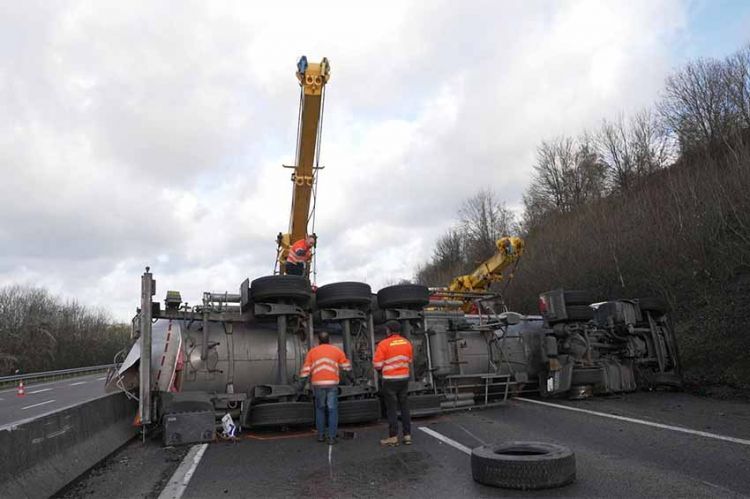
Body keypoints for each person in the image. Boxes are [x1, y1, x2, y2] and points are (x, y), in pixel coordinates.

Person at [298, 331, 352, 445]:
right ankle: (332, 437)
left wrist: (300, 385)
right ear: (329, 340)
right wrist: (353, 379)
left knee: (320, 409)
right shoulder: (337, 350)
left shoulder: (312, 352)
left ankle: (320, 436)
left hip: (318, 384)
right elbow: (346, 367)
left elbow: (305, 370)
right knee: (332, 410)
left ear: (318, 341)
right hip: (332, 384)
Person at [373, 320, 413, 446]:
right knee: (404, 407)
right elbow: (409, 360)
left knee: (392, 409)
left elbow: (377, 365)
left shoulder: (383, 344)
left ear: (388, 330)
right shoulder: (407, 343)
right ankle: (407, 435)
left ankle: (393, 437)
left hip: (390, 380)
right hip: (404, 379)